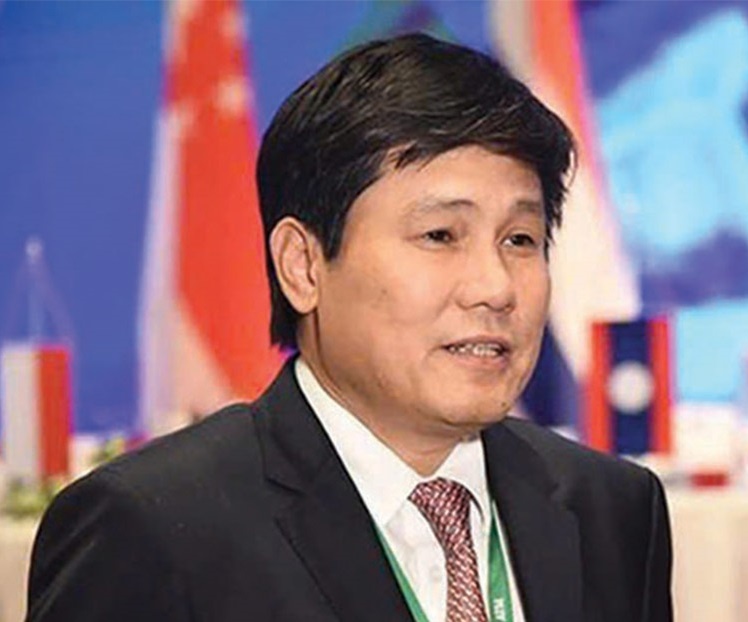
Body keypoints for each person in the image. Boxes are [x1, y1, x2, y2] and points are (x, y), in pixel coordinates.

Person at [26, 33, 672, 622]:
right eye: (440, 235)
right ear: (302, 266)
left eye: (520, 239)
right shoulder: (153, 528)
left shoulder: (611, 509)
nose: (495, 287)